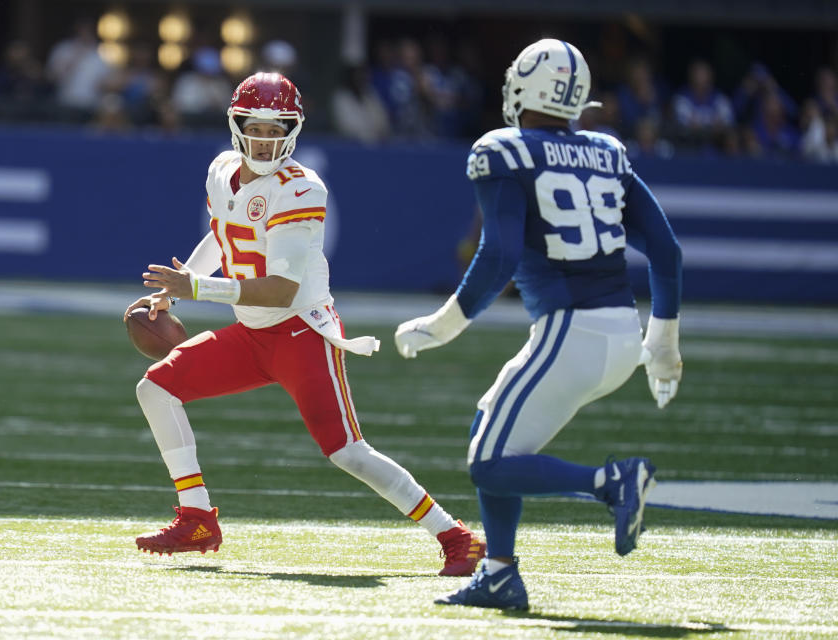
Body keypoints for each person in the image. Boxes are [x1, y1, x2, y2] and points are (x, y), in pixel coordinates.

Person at [123, 71, 485, 577]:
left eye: (278, 129)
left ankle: (457, 537)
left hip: (301, 333)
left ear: (293, 131)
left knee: (348, 453)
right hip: (252, 334)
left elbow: (281, 289)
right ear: (237, 124)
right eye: (258, 127)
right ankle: (198, 517)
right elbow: (222, 235)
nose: (266, 139)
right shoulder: (221, 170)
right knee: (156, 389)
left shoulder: (300, 189)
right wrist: (182, 283)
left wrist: (197, 290)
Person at [394, 39, 682, 610]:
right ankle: (500, 572)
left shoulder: (504, 149)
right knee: (491, 427)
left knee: (488, 461)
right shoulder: (606, 151)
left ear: (521, 87)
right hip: (620, 332)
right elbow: (667, 253)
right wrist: (664, 343)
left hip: (571, 329)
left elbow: (497, 255)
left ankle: (611, 482)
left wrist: (445, 323)